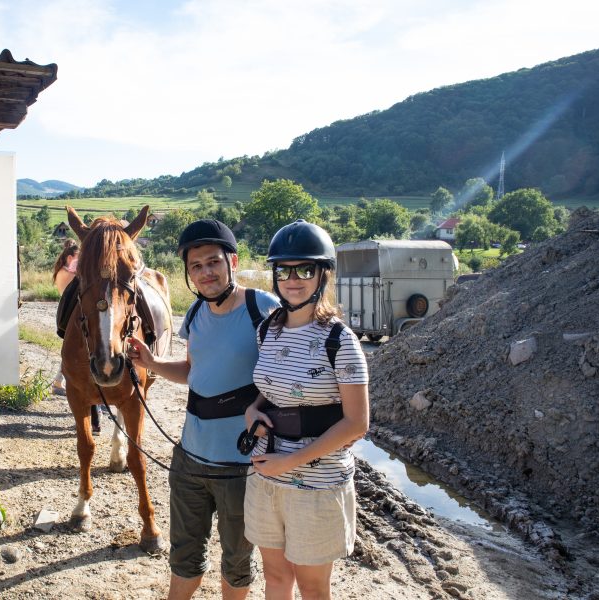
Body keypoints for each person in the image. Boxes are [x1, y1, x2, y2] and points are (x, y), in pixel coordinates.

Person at [127, 219, 279, 600]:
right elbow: (193, 372)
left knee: (236, 563)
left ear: (232, 260)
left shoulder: (264, 309)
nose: (205, 272)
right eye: (196, 266)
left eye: (213, 262)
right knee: (183, 559)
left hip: (240, 467)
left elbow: (283, 379)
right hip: (189, 460)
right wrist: (150, 362)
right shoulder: (196, 313)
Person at [244, 220, 369, 600]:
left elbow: (357, 423)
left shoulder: (339, 340)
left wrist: (291, 461)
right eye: (284, 270)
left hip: (317, 485)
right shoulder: (268, 329)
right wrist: (253, 410)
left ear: (323, 275)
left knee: (313, 588)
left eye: (305, 269)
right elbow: (272, 388)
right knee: (275, 578)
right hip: (266, 476)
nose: (293, 279)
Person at [51, 240, 101, 434]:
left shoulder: (61, 271)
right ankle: (94, 416)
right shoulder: (71, 269)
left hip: (69, 317)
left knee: (73, 359)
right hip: (77, 317)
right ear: (71, 257)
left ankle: (58, 381)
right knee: (82, 362)